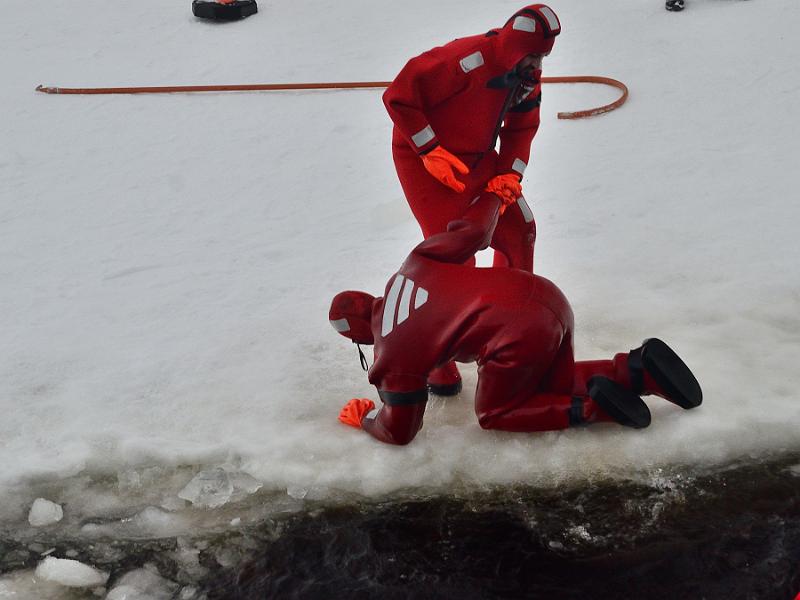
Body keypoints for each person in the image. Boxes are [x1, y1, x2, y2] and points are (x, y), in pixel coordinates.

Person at [328, 193, 702, 446]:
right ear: (367, 296)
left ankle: (597, 408)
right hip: (545, 295)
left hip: (514, 333)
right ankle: (638, 371)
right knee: (549, 382)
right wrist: (494, 195)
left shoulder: (390, 353)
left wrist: (365, 421)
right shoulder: (416, 262)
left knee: (495, 412)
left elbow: (401, 431)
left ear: (356, 337)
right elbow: (475, 233)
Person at [383, 4, 562, 394]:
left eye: (542, 57)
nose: (537, 64)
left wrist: (509, 174)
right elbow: (400, 96)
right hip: (426, 162)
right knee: (455, 251)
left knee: (519, 229)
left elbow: (522, 126)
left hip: (482, 161)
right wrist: (428, 149)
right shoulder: (464, 60)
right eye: (532, 54)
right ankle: (435, 356)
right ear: (515, 45)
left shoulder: (527, 76)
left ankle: (511, 325)